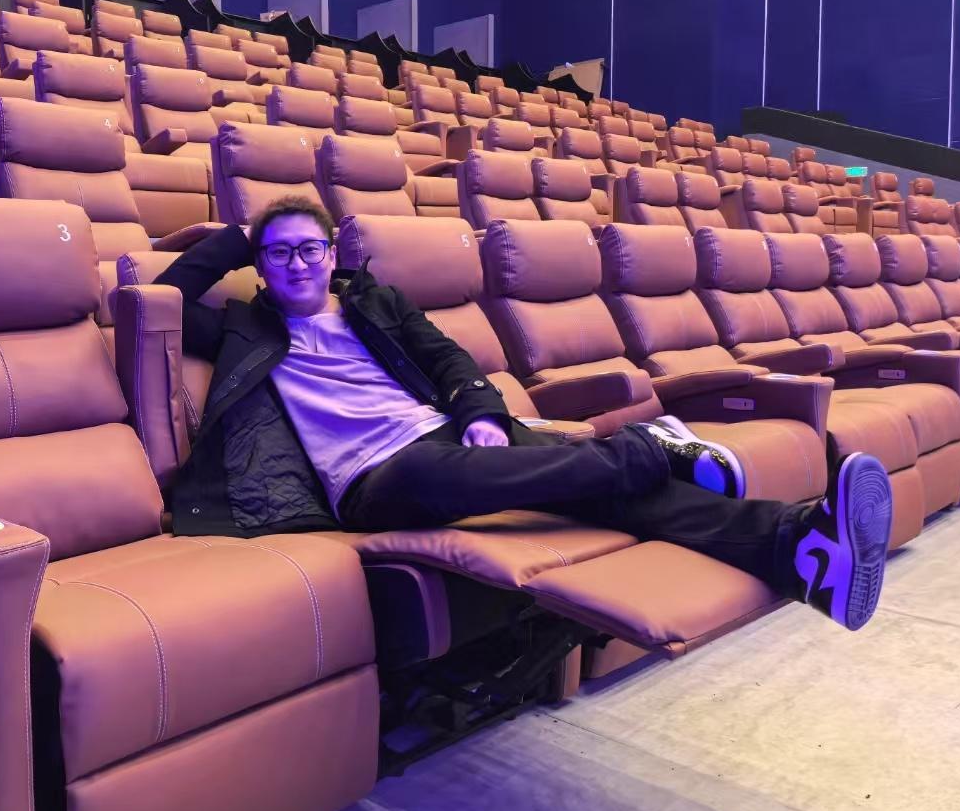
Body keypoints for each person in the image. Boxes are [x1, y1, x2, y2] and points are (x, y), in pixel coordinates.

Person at [155, 196, 893, 631]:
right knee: (545, 471)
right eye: (278, 253)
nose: (297, 264)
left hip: (445, 435)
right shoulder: (244, 330)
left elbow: (450, 361)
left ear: (330, 255)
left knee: (598, 492)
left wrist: (480, 412)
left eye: (309, 249)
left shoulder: (377, 304)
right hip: (375, 480)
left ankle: (795, 546)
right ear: (261, 265)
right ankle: (646, 448)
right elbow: (167, 299)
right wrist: (239, 234)